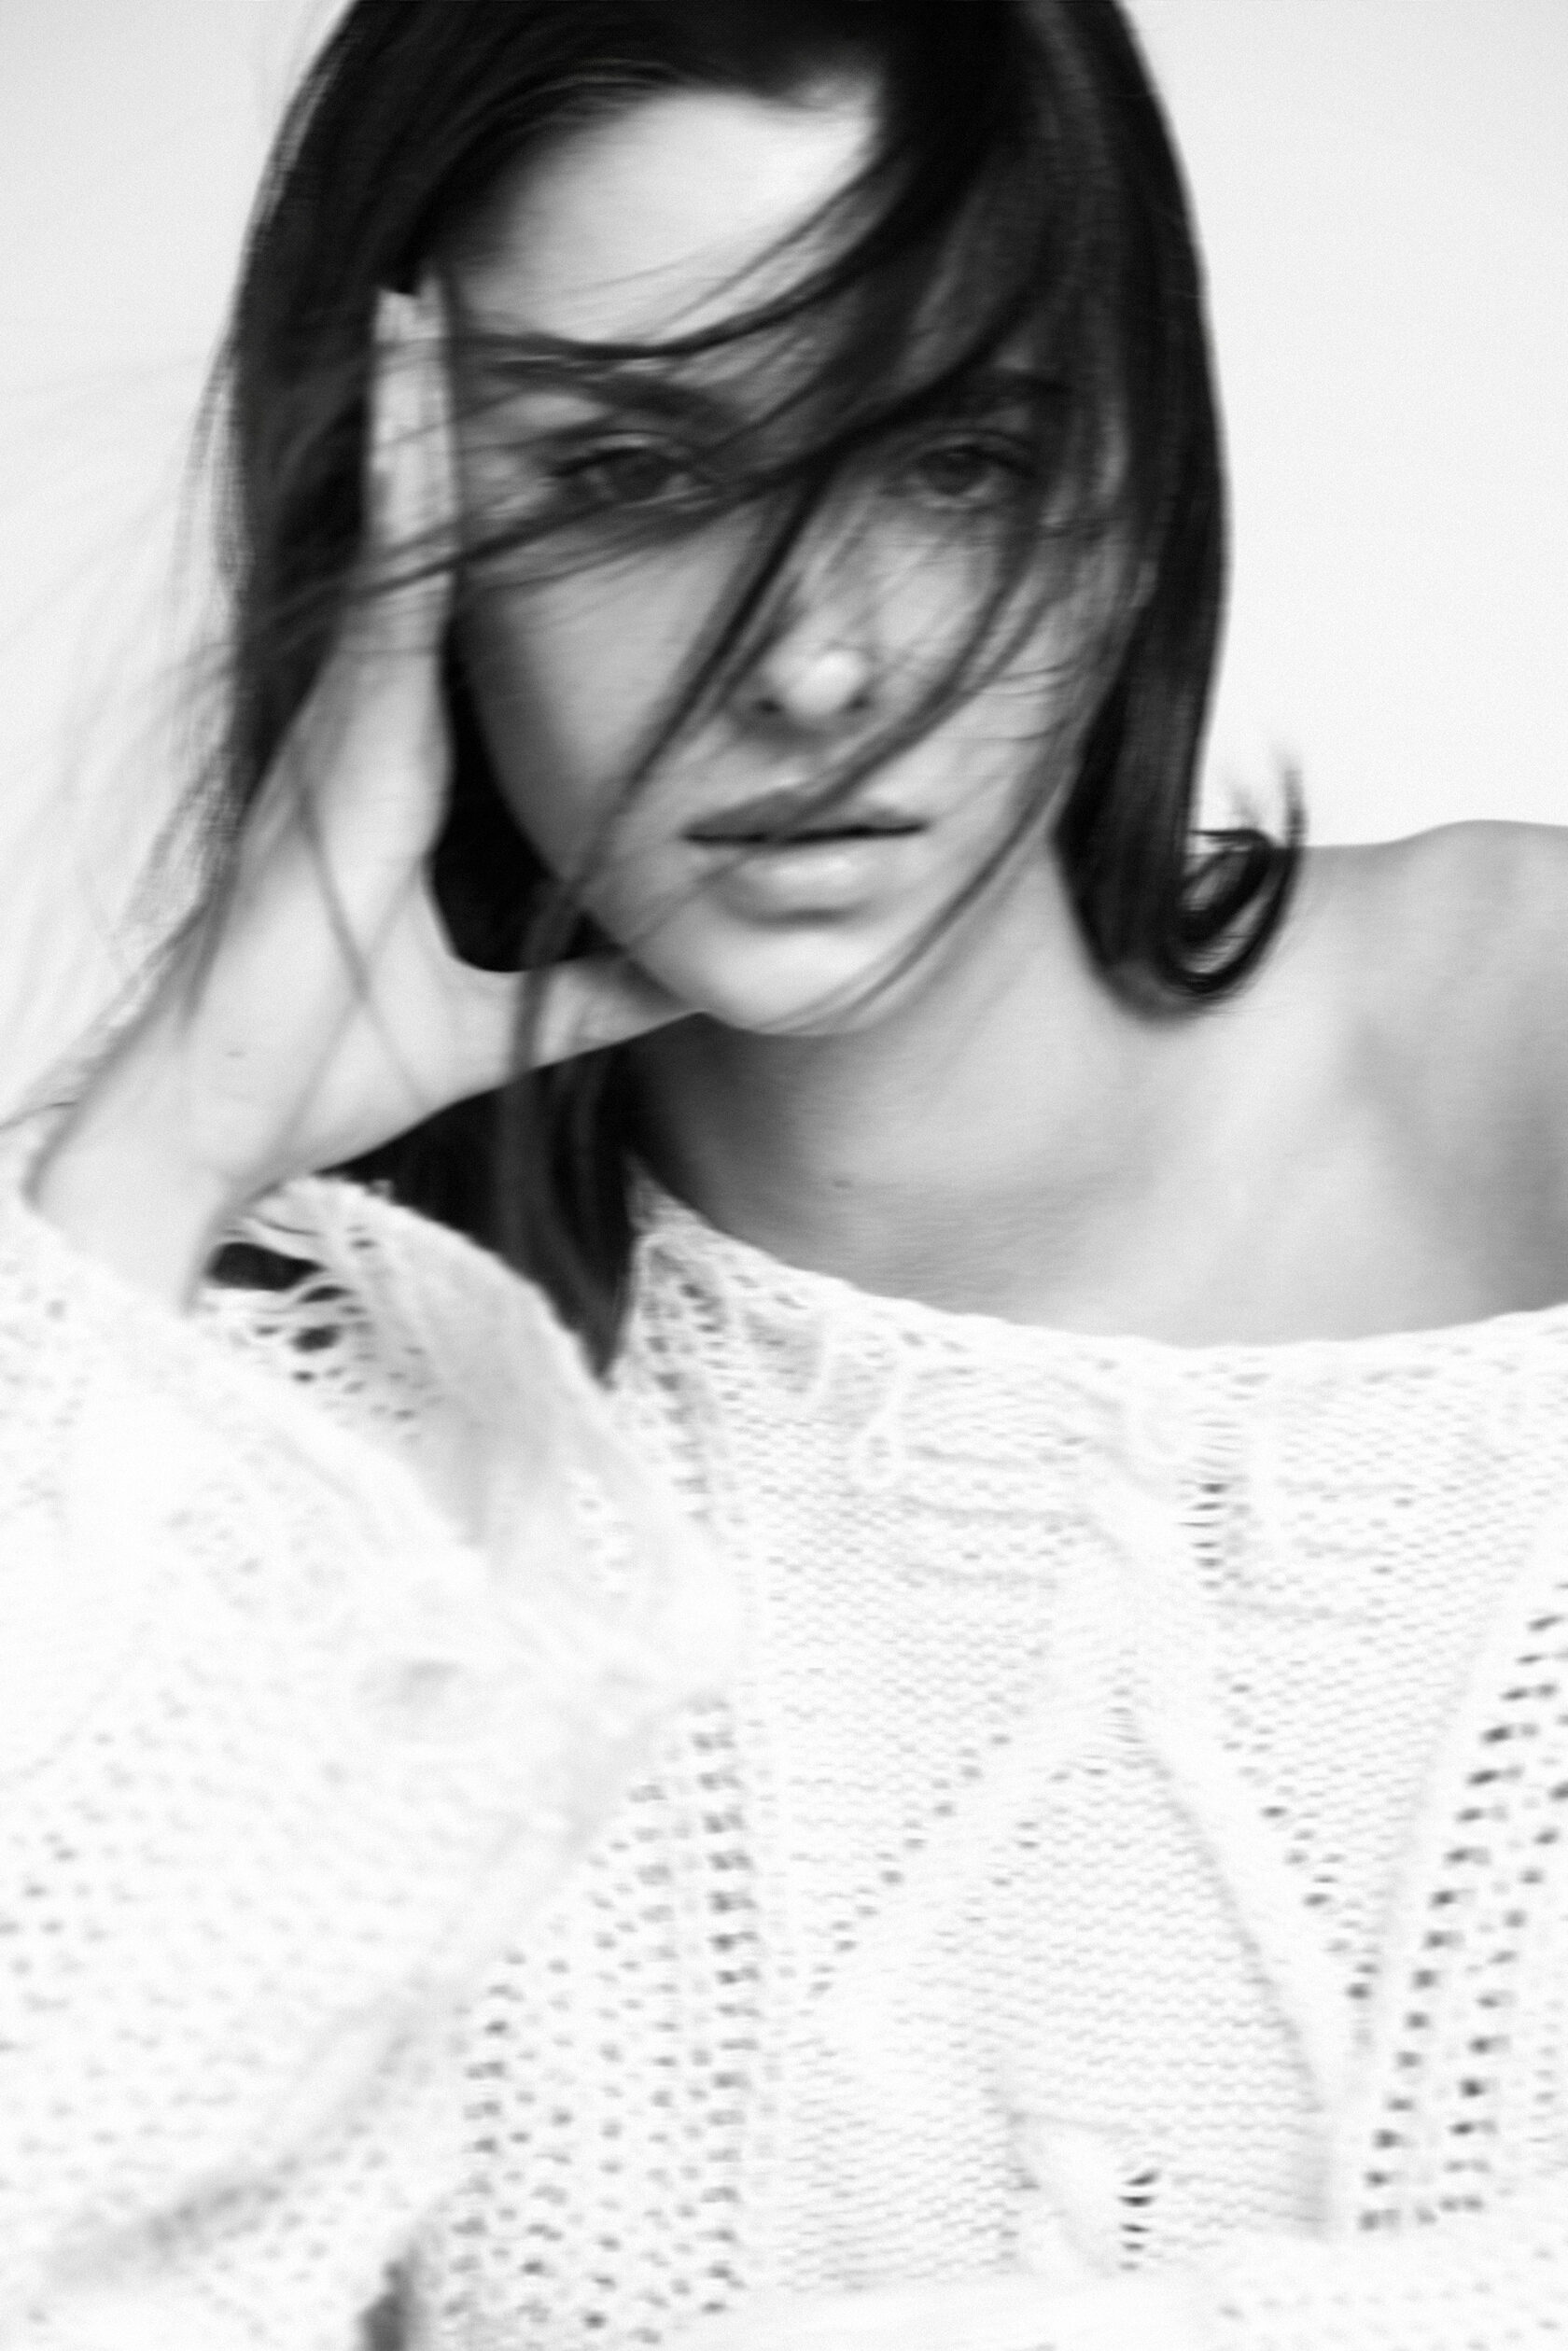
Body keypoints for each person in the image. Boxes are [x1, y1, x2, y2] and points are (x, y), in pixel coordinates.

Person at [6, 0, 1568, 2345]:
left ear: (1140, 473)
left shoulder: (1528, 1052)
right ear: (394, 518)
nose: (819, 668)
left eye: (954, 461)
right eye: (633, 473)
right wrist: (156, 1164)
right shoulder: (239, 1417)